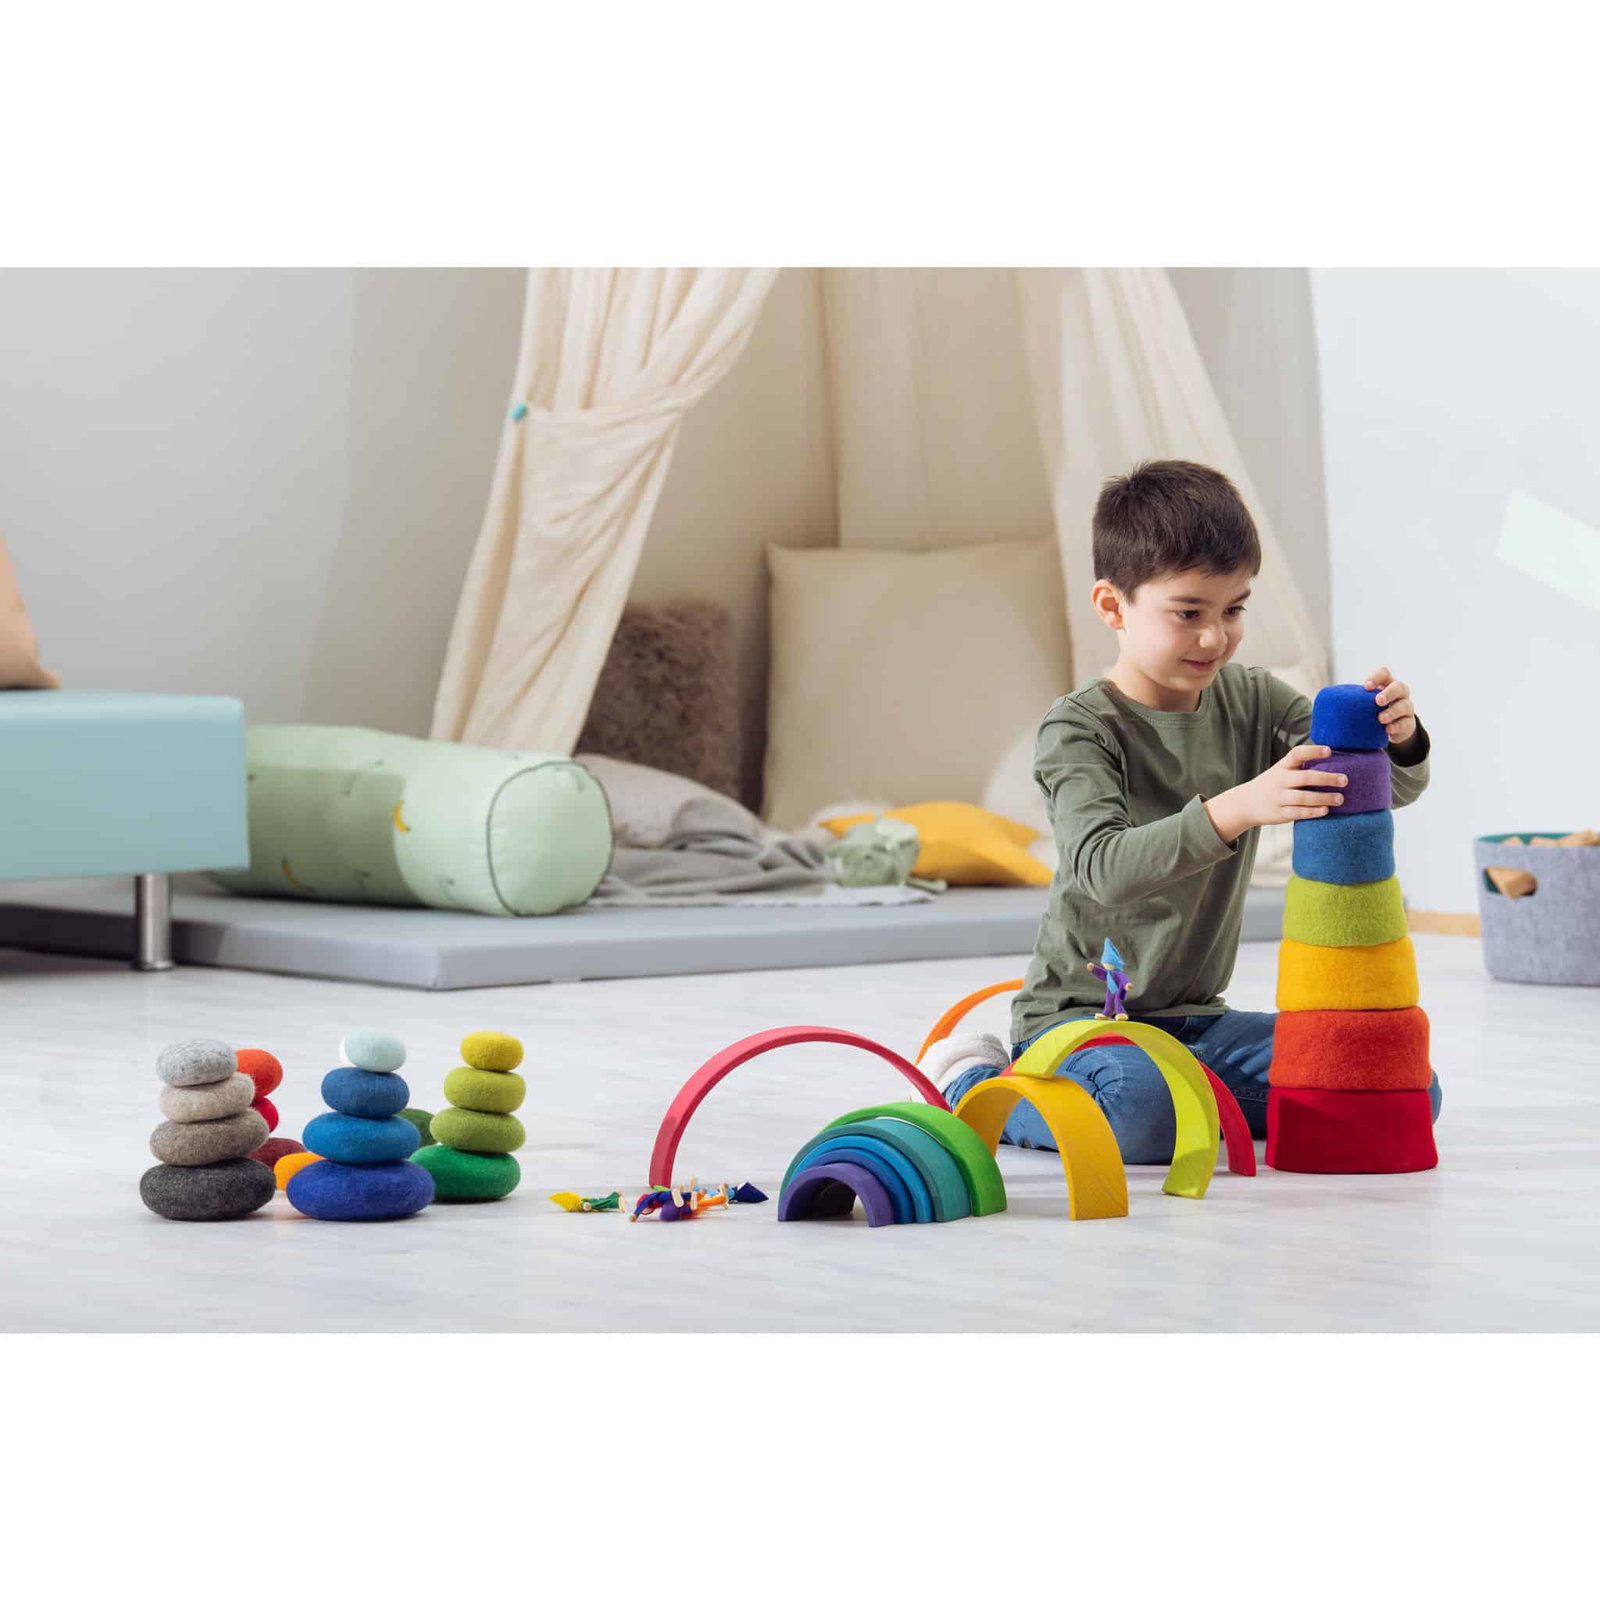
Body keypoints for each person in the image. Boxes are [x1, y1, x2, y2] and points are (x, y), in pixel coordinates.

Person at [939, 460, 1441, 1160]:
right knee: (1140, 1112)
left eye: (1233, 610)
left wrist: (1396, 737)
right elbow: (1103, 869)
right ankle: (972, 1083)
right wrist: (1238, 807)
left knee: (1388, 1082)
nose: (1215, 638)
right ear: (1113, 606)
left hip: (1198, 1025)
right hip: (1080, 1025)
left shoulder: (1254, 700)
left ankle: (1190, 1097)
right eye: (1188, 613)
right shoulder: (1079, 729)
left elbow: (1382, 792)